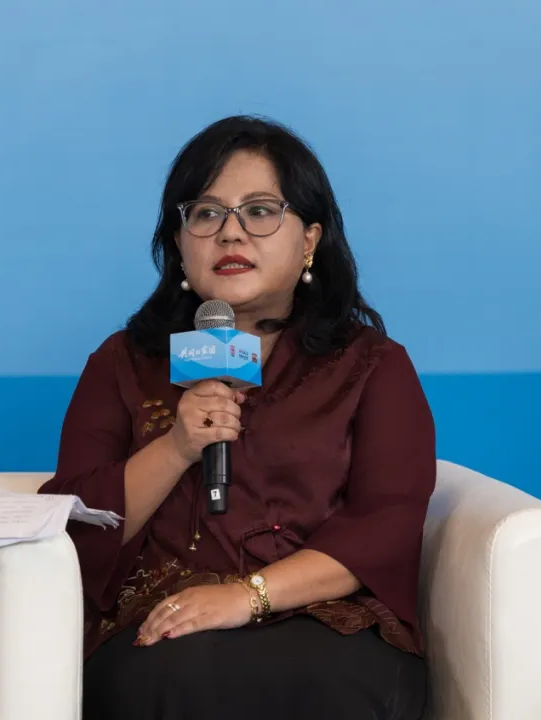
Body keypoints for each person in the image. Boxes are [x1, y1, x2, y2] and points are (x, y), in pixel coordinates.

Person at [38, 115, 435, 719]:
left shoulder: (371, 365)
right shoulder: (124, 362)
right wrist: (176, 447)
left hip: (325, 623)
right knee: (173, 676)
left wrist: (248, 597)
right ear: (179, 244)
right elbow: (71, 524)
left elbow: (385, 526)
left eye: (259, 211)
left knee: (332, 687)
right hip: (165, 625)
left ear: (310, 239)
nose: (230, 232)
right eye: (206, 213)